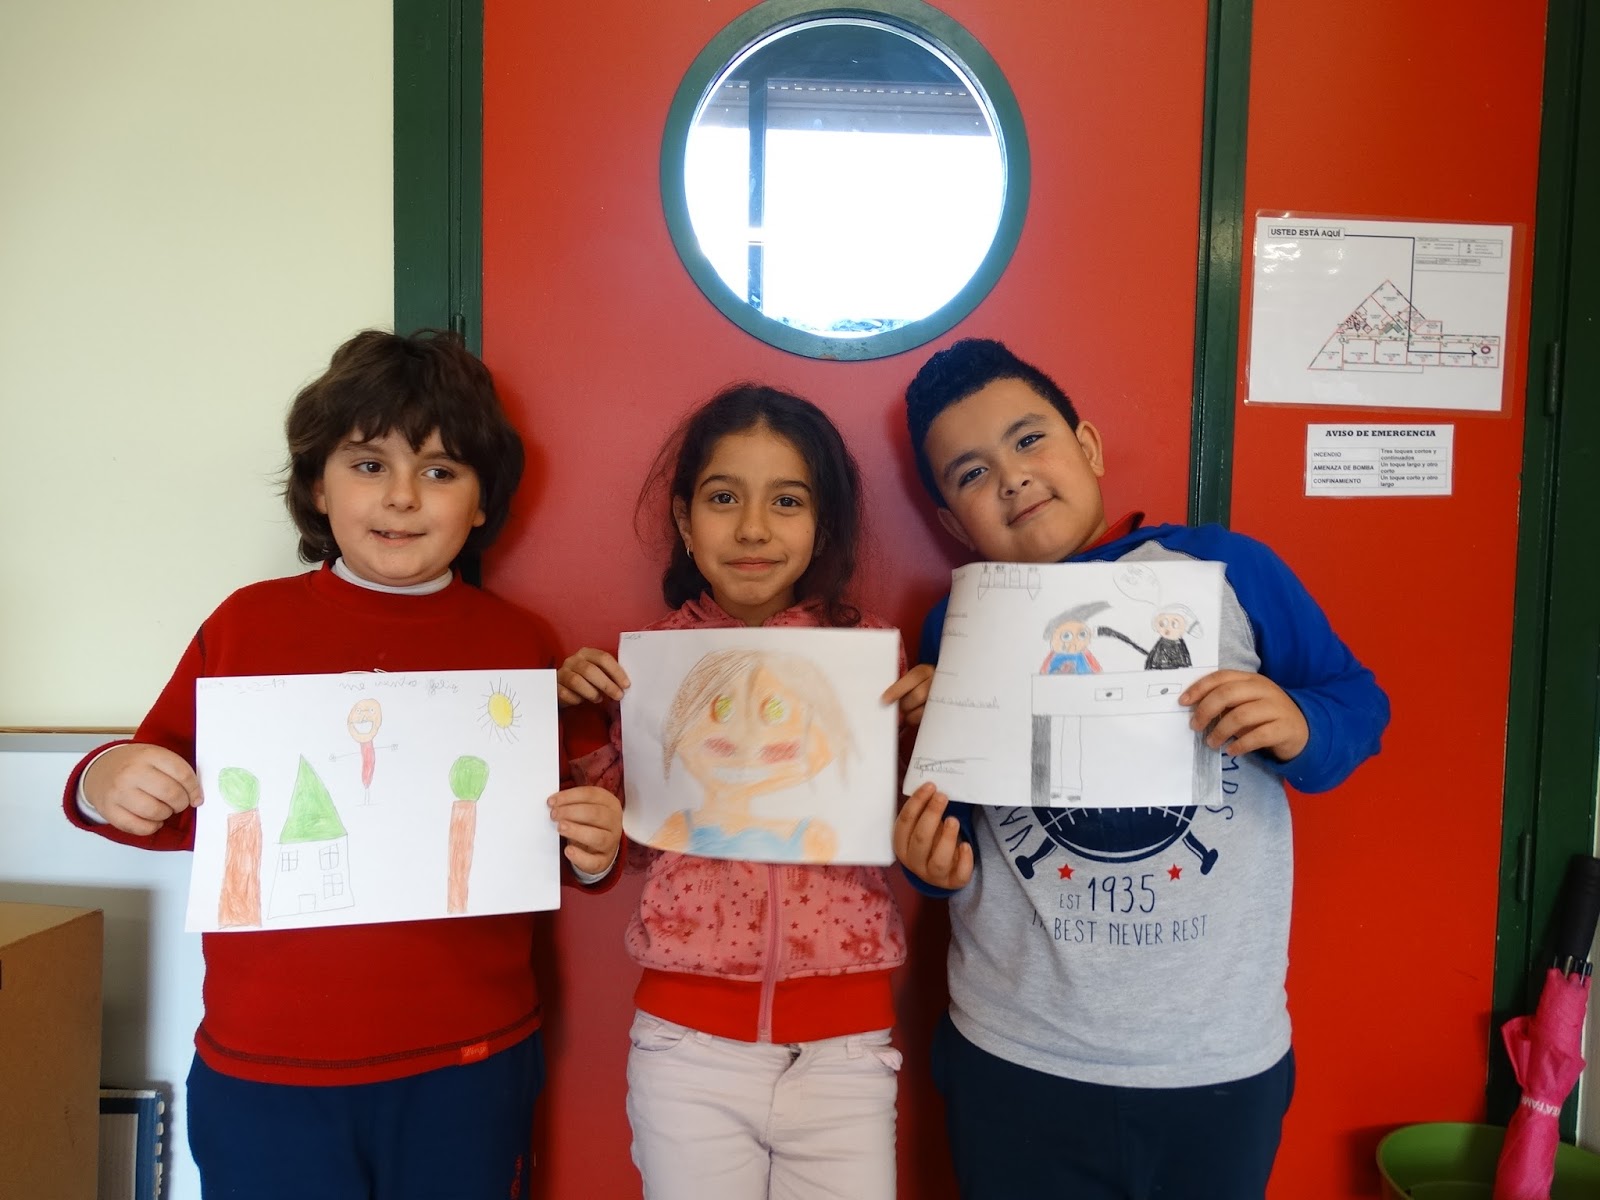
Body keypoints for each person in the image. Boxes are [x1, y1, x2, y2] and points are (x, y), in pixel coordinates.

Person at [61, 328, 623, 1200]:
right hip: (267, 1068)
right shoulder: (246, 626)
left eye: (440, 471)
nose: (401, 496)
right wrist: (105, 782)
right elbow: (169, 790)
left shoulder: (519, 646)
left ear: (482, 502)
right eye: (368, 464)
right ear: (318, 486)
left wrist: (591, 852)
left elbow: (539, 837)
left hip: (469, 1064)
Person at [893, 337, 1389, 1200]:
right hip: (1013, 1048)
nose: (1011, 477)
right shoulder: (958, 624)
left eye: (1028, 439)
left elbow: (1360, 703)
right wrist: (927, 865)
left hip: (1214, 1055)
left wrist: (1300, 723)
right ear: (950, 523)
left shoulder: (1227, 570)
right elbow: (954, 823)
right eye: (971, 474)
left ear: (1086, 446)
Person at [556, 382, 933, 1200]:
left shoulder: (872, 658)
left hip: (846, 1049)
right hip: (686, 1047)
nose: (753, 527)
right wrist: (580, 721)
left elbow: (915, 826)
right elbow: (619, 852)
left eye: (786, 501)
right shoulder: (645, 667)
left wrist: (936, 727)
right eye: (724, 498)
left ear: (822, 525)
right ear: (686, 521)